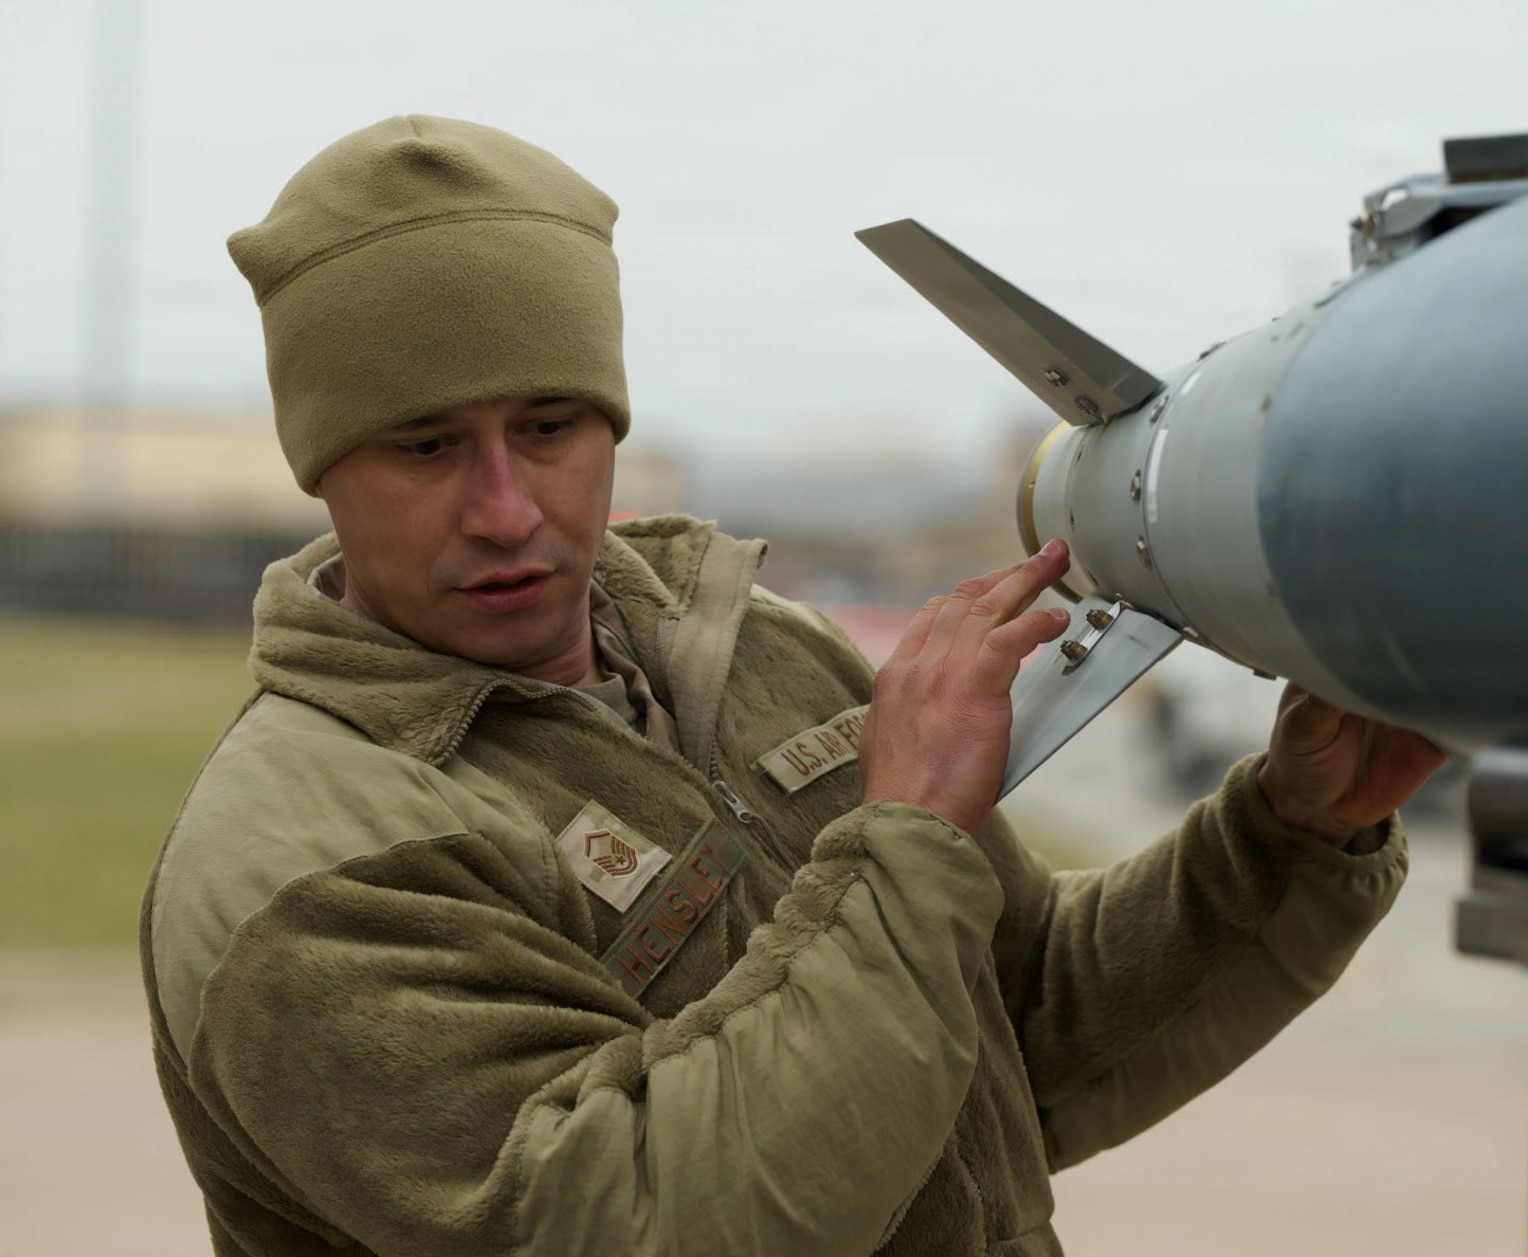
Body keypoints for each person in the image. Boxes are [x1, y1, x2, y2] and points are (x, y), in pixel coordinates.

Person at [142, 115, 1445, 1257]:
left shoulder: (760, 652)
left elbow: (1012, 1029)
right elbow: (644, 1219)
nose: (506, 508)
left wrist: (1292, 830)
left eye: (547, 427)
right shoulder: (308, 870)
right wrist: (906, 835)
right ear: (323, 466)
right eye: (426, 447)